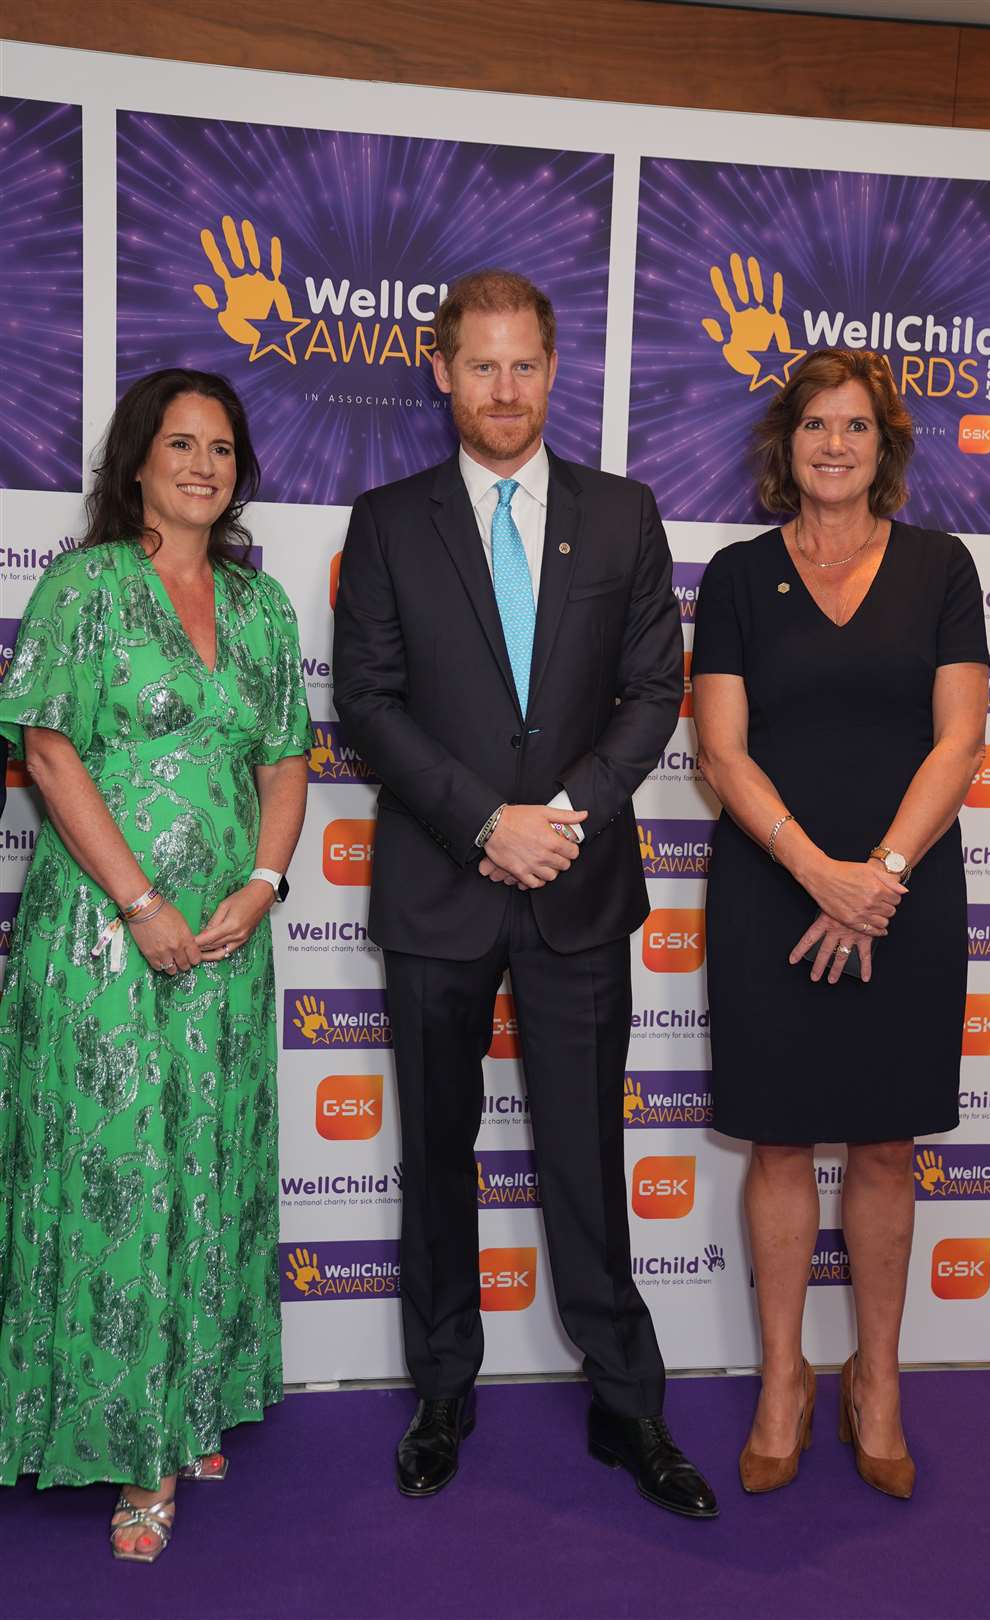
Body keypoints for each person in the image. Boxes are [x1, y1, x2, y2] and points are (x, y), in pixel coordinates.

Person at [333, 269, 716, 1519]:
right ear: (440, 370)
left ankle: (629, 1406)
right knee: (435, 1155)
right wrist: (481, 822)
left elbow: (655, 690)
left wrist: (560, 821)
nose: (505, 390)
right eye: (480, 365)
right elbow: (369, 705)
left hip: (577, 886)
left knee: (585, 1161)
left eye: (525, 366)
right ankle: (444, 1389)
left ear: (555, 371)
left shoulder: (622, 513)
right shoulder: (387, 520)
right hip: (441, 888)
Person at [0, 369, 311, 1559]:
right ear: (137, 461)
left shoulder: (263, 607)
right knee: (114, 1179)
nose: (202, 465)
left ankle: (188, 1405)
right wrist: (139, 902)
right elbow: (48, 749)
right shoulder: (83, 589)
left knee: (208, 1172)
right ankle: (131, 1451)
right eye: (180, 444)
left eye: (221, 448)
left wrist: (259, 887)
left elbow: (286, 763)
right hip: (102, 944)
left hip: (229, 946)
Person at [692, 346, 988, 1500]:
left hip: (905, 892)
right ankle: (784, 1379)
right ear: (786, 445)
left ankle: (880, 1381)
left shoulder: (941, 567)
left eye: (854, 426)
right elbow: (721, 749)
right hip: (775, 885)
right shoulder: (733, 576)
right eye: (814, 425)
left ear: (885, 446)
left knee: (881, 1143)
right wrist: (824, 875)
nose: (833, 445)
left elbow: (958, 741)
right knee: (777, 1141)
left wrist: (882, 877)